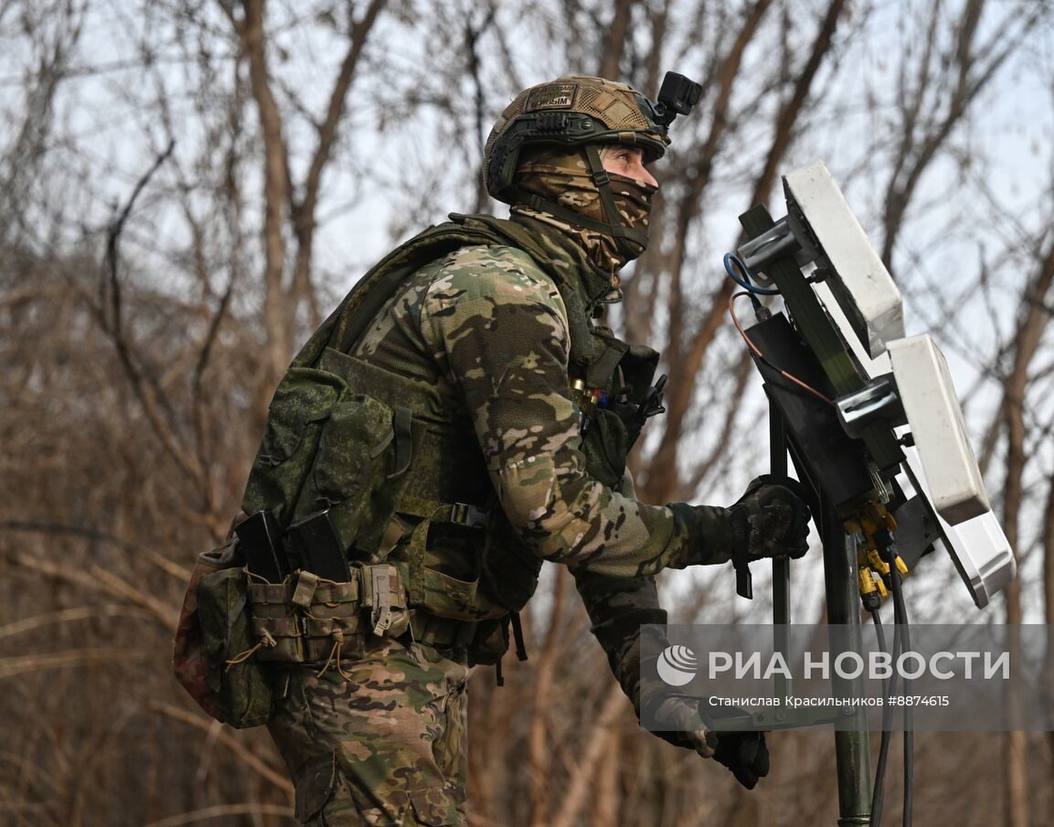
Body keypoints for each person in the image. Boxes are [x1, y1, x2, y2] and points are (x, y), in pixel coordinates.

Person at [258, 74, 811, 826]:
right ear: (555, 165)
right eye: (626, 158)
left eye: (650, 163)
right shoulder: (499, 293)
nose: (648, 182)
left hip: (407, 659)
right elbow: (554, 513)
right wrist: (729, 531)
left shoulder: (559, 313)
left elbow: (601, 539)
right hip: (360, 657)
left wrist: (674, 697)